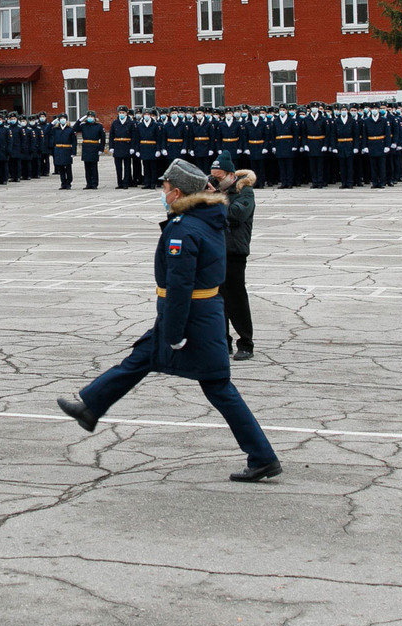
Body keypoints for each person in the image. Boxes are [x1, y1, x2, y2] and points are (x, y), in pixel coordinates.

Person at [55, 158, 280, 482]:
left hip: (192, 319)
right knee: (139, 359)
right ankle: (91, 407)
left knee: (218, 387)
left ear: (176, 192)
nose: (162, 192)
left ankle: (263, 457)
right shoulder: (203, 216)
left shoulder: (185, 228)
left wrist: (174, 333)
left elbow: (179, 287)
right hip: (198, 314)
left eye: (164, 187)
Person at [211, 164, 259, 360]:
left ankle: (246, 343)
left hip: (235, 251)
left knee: (236, 298)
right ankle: (223, 342)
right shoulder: (215, 191)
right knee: (217, 298)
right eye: (213, 177)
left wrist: (215, 197)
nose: (216, 180)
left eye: (219, 177)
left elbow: (237, 213)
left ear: (231, 175)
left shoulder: (244, 191)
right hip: (215, 250)